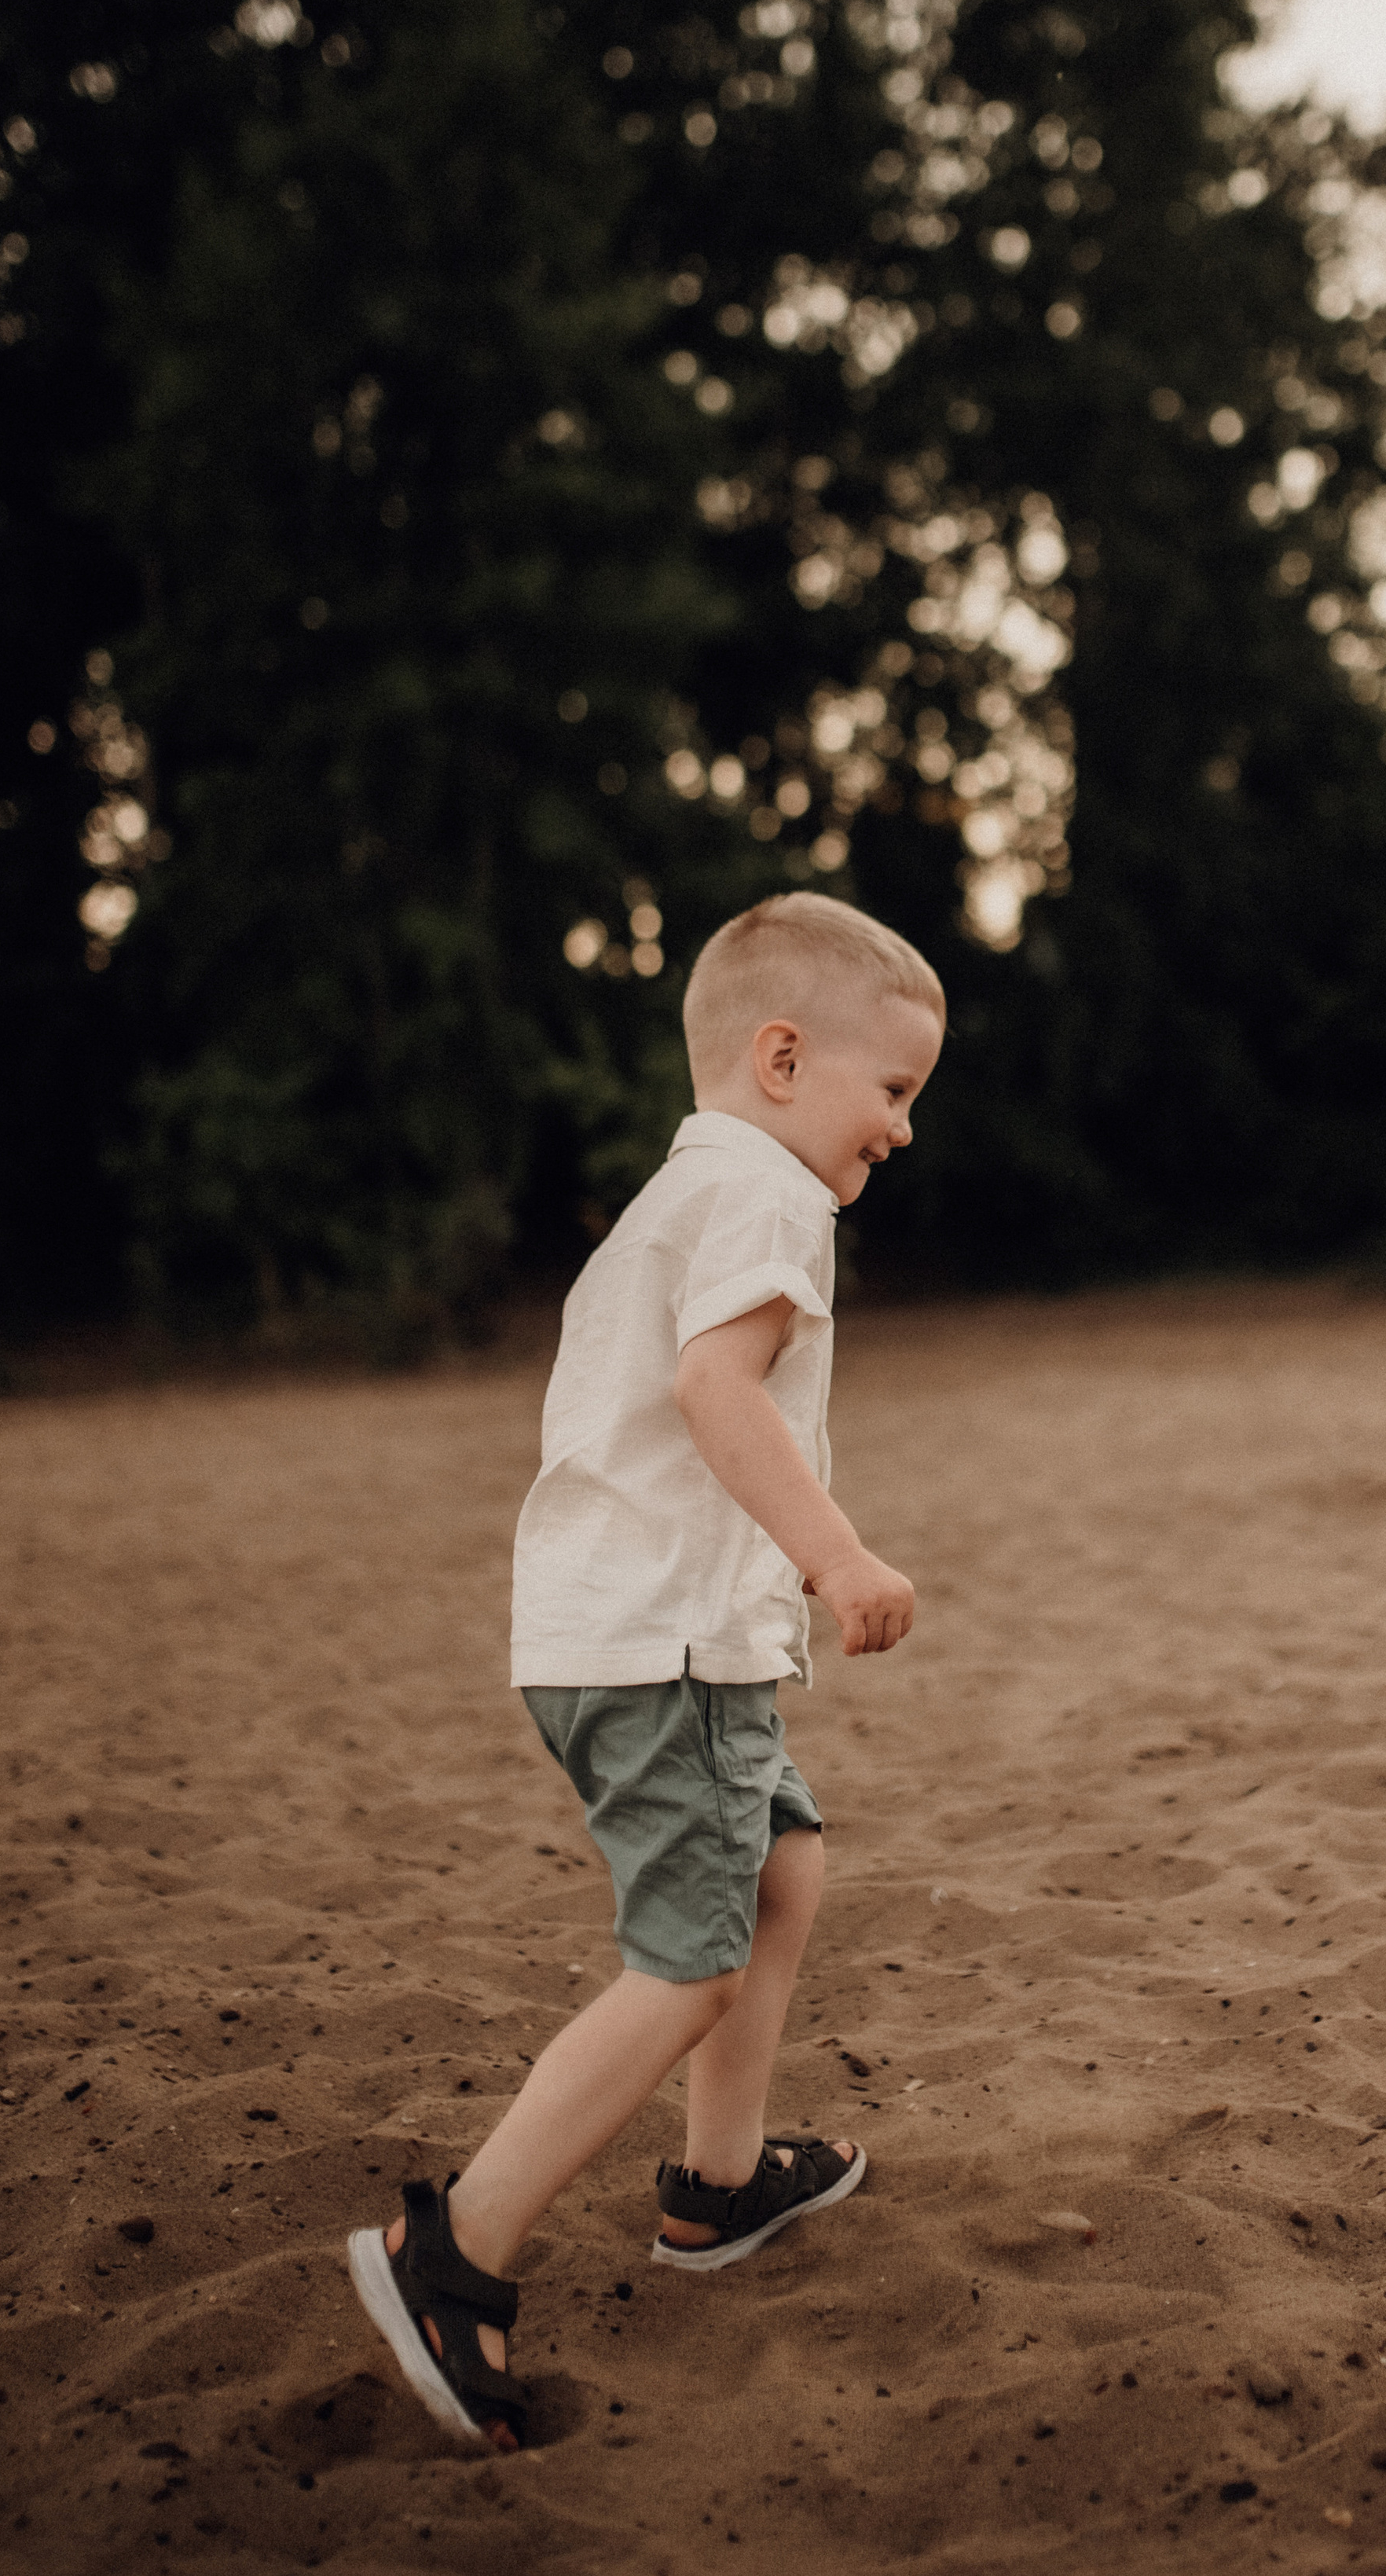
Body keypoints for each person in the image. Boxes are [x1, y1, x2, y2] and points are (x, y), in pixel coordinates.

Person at [347, 892, 945, 2450]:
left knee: (782, 1862)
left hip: (622, 1638)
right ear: (779, 1056)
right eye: (891, 1092)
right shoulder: (764, 1197)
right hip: (666, 1650)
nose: (898, 1131)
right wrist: (836, 1558)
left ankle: (721, 2183)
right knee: (685, 1960)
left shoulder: (684, 1189)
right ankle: (453, 2253)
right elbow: (710, 1389)